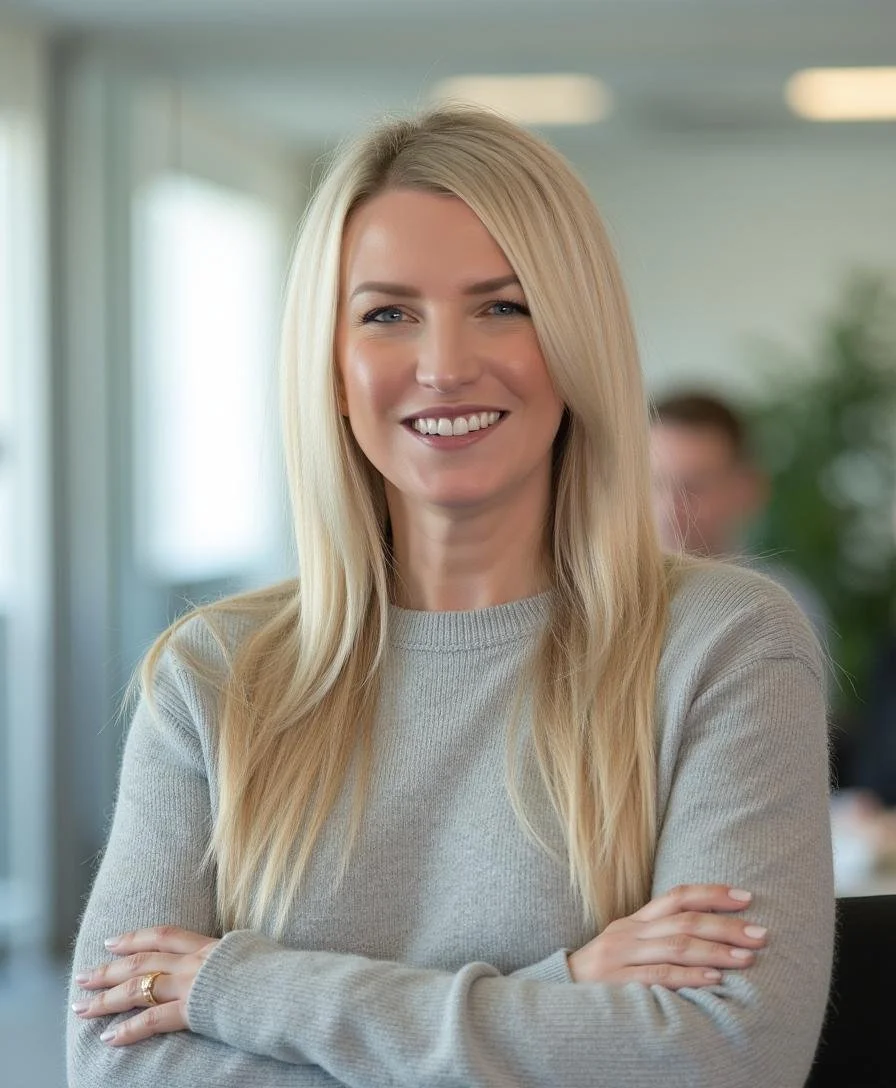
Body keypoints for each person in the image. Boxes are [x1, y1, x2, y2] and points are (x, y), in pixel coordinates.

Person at [67, 107, 833, 1087]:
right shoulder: (215, 673)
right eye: (387, 314)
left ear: (576, 341)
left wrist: (242, 989)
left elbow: (722, 1060)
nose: (444, 366)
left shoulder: (723, 643)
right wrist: (564, 988)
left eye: (501, 306)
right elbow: (115, 1067)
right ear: (331, 365)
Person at [650, 391, 831, 645]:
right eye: (654, 483)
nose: (669, 507)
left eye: (694, 487)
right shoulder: (607, 597)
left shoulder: (779, 613)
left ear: (746, 489)